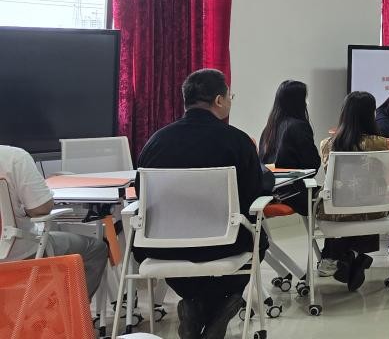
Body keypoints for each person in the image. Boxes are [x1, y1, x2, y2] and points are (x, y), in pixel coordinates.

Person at [136, 69, 271, 339]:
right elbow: (253, 193)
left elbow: (141, 193)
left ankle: (194, 303)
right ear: (219, 100)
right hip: (224, 243)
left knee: (191, 256)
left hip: (163, 245)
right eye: (230, 96)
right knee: (258, 240)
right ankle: (223, 303)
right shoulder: (237, 141)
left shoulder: (156, 142)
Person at [0, 144, 110, 296]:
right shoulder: (14, 158)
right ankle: (69, 310)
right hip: (19, 255)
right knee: (96, 249)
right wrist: (23, 210)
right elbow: (41, 209)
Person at [316, 91, 389, 292]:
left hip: (337, 211)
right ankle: (355, 254)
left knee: (347, 201)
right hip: (374, 210)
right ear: (371, 114)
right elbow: (382, 174)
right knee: (367, 199)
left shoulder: (327, 144)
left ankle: (341, 256)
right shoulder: (380, 143)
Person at [257, 80, 319, 215]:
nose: (307, 103)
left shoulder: (268, 128)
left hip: (271, 191)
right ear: (298, 102)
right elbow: (312, 165)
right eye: (305, 98)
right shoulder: (299, 127)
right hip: (294, 194)